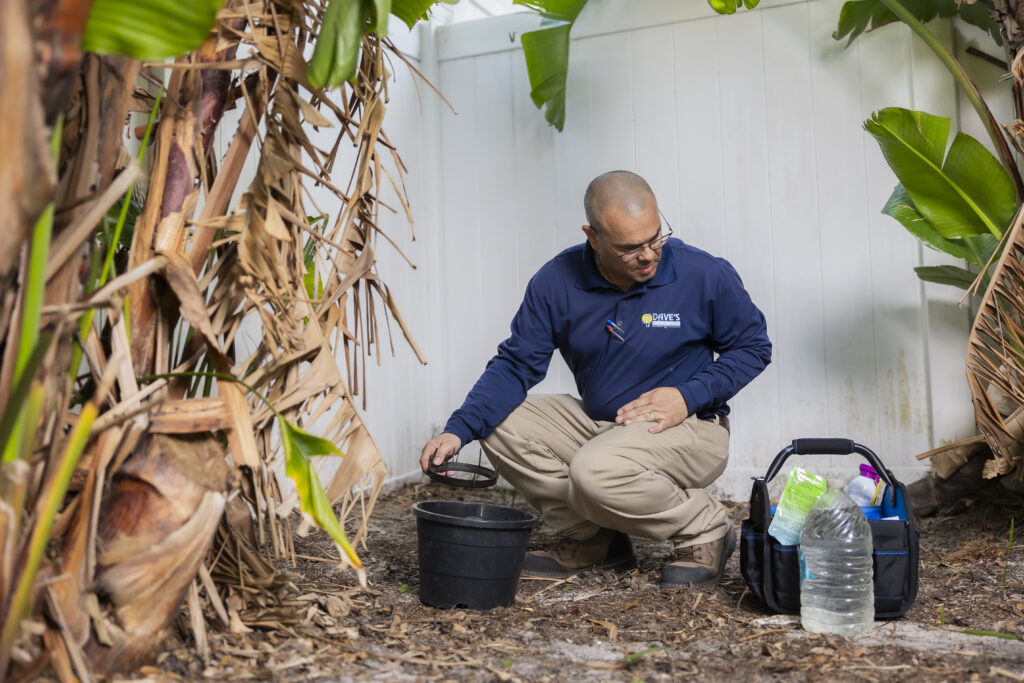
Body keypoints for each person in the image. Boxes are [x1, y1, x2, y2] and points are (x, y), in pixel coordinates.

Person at [419, 170, 772, 588]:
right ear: (593, 236)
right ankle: (594, 539)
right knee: (497, 421)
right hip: (603, 426)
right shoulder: (556, 281)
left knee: (594, 470)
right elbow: (515, 365)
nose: (647, 256)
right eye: (629, 249)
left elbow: (753, 347)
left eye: (655, 238)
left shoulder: (704, 274)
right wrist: (459, 430)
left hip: (690, 427)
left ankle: (705, 528)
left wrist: (687, 396)